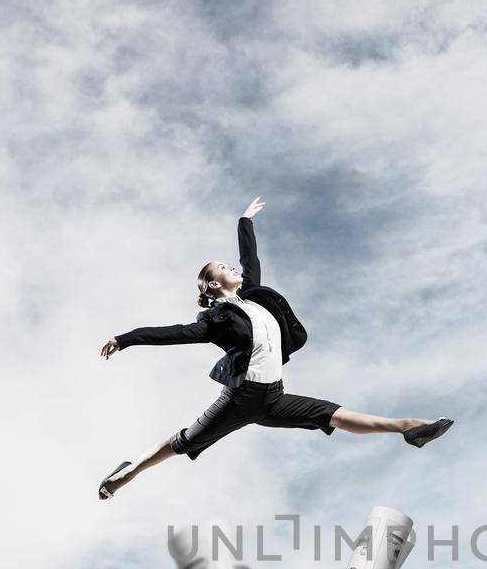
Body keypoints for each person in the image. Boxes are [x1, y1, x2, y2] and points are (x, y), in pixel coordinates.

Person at [97, 197, 453, 499]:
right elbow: (172, 333)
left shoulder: (253, 296)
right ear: (210, 284)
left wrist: (245, 221)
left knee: (332, 414)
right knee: (185, 441)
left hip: (273, 397)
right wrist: (124, 339)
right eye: (223, 267)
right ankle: (127, 474)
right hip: (240, 400)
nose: (231, 267)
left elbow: (251, 260)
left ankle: (408, 427)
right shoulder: (215, 320)